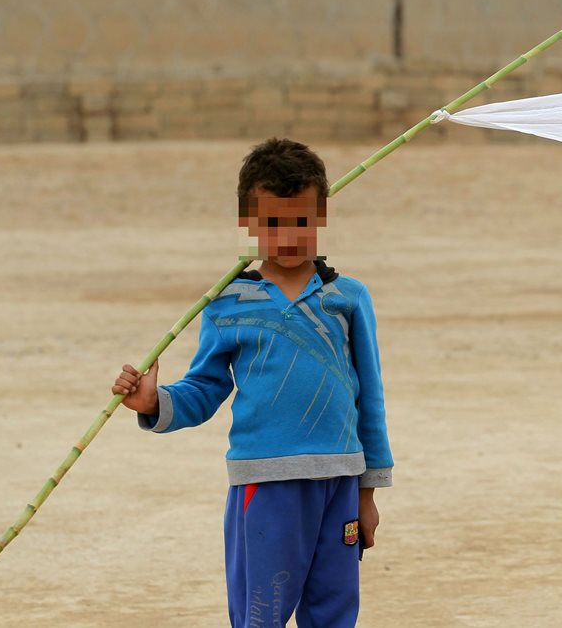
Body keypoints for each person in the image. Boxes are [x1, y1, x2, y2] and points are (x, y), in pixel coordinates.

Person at [112, 137, 393, 628]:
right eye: (272, 224)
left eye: (302, 222)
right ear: (248, 223)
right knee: (260, 614)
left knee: (335, 610)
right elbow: (206, 389)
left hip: (340, 481)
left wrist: (367, 493)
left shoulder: (347, 297)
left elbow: (370, 396)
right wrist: (153, 400)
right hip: (265, 483)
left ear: (322, 216)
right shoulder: (227, 304)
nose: (288, 236)